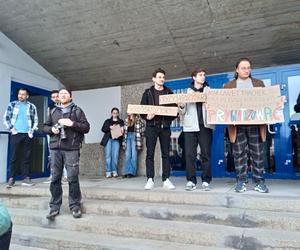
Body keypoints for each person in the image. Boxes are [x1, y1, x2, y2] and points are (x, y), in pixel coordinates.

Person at [43, 88, 90, 219]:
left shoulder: (77, 110)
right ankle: (54, 207)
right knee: (55, 178)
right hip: (55, 149)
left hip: (71, 148)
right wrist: (52, 129)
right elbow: (44, 127)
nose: (63, 95)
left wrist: (72, 123)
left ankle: (75, 206)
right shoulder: (53, 111)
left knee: (72, 178)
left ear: (70, 97)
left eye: (66, 94)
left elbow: (86, 127)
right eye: (61, 94)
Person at [224, 58, 269, 193]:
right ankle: (241, 180)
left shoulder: (259, 84)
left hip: (255, 124)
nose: (246, 70)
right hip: (237, 125)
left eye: (248, 67)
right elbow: (223, 105)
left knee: (258, 153)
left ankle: (259, 181)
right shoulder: (229, 86)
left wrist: (277, 102)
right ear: (237, 70)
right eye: (243, 68)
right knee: (239, 154)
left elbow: (267, 101)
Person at [140, 68, 177, 190]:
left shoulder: (169, 92)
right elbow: (141, 111)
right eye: (159, 77)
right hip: (151, 127)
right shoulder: (148, 93)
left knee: (166, 154)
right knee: (149, 154)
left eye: (163, 77)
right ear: (154, 79)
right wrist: (147, 116)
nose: (162, 79)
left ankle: (166, 179)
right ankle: (150, 179)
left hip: (165, 127)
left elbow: (175, 112)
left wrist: (168, 118)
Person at [178, 68, 215, 191]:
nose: (203, 77)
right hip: (190, 128)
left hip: (205, 126)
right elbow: (182, 112)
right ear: (194, 77)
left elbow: (215, 108)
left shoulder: (210, 92)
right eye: (200, 75)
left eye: (204, 75)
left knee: (206, 154)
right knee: (189, 155)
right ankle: (191, 181)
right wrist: (181, 106)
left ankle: (206, 181)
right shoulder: (187, 93)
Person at [3, 88, 38, 188]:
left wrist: (32, 130)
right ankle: (12, 178)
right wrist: (12, 129)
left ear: (27, 96)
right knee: (14, 156)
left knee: (26, 157)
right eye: (19, 94)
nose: (21, 96)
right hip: (16, 133)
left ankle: (26, 178)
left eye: (23, 94)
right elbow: (6, 118)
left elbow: (35, 119)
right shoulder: (12, 104)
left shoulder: (32, 106)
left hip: (27, 134)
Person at [45, 90, 68, 184]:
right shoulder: (50, 107)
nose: (55, 98)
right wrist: (51, 129)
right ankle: (53, 174)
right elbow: (48, 121)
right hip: (53, 133)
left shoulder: (66, 106)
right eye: (53, 97)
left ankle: (65, 176)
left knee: (65, 154)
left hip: (63, 133)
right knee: (52, 155)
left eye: (56, 96)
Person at [100, 108, 124, 178]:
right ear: (111, 113)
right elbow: (103, 129)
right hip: (108, 140)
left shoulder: (121, 122)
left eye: (116, 113)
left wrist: (122, 130)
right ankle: (108, 171)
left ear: (118, 114)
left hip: (116, 140)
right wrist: (109, 127)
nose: (115, 114)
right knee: (108, 156)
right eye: (114, 113)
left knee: (115, 155)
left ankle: (114, 171)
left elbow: (123, 131)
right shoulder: (108, 121)